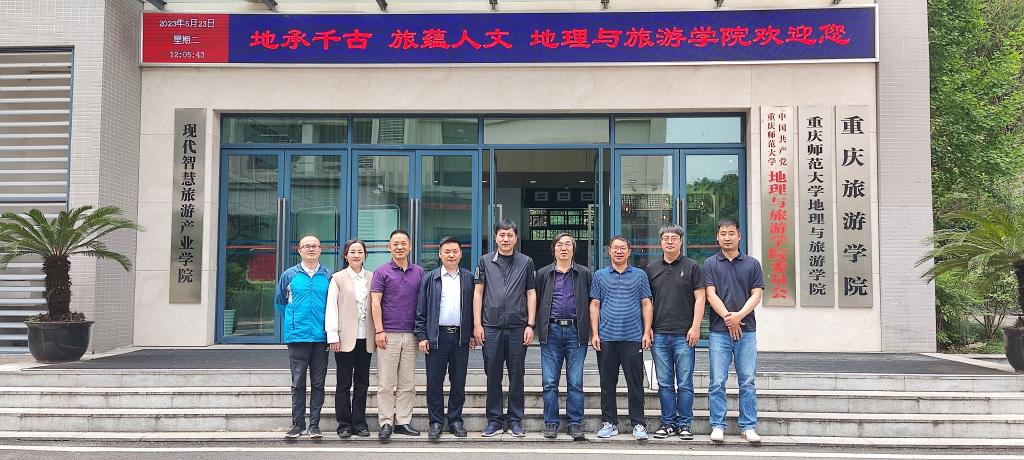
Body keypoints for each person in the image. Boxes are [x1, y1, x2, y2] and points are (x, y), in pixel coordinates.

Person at [473, 219, 537, 437]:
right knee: (493, 374)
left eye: (510, 235)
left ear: (516, 238)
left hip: (518, 327)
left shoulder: (526, 262)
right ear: (496, 237)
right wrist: (477, 324)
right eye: (502, 235)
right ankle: (494, 420)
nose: (506, 239)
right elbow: (478, 293)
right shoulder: (485, 261)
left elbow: (531, 293)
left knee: (517, 375)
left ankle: (515, 420)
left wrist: (531, 324)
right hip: (491, 327)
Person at [703, 217, 764, 444]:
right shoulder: (710, 263)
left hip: (747, 331)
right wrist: (730, 319)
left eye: (731, 233)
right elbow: (710, 295)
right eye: (723, 234)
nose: (727, 237)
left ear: (739, 236)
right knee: (717, 381)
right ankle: (717, 425)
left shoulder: (752, 264)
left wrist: (739, 316)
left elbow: (756, 294)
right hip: (719, 332)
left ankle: (748, 426)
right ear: (717, 237)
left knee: (747, 380)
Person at [645, 224, 706, 441]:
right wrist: (647, 330)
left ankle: (685, 424)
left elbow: (701, 298)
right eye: (666, 238)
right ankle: (668, 423)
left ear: (681, 241)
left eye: (674, 238)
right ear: (660, 242)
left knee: (685, 382)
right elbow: (647, 302)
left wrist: (696, 327)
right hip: (659, 334)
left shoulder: (692, 267)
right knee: (664, 383)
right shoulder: (651, 268)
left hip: (684, 335)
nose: (669, 241)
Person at [589, 236, 653, 441]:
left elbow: (646, 303)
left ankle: (638, 423)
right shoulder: (599, 275)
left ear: (629, 251)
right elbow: (595, 304)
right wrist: (595, 333)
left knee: (635, 383)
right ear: (609, 251)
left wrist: (646, 331)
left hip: (633, 337)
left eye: (622, 248)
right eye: (615, 248)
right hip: (606, 337)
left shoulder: (640, 275)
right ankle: (609, 423)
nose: (618, 251)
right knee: (607, 383)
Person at [414, 236, 476, 440]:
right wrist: (422, 336)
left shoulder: (468, 278)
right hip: (436, 337)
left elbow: (474, 308)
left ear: (461, 254)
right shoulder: (429, 278)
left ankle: (456, 420)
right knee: (434, 382)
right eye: (447, 251)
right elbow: (421, 310)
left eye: (455, 251)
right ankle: (436, 422)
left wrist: (471, 333)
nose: (451, 255)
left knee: (458, 381)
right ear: (440, 254)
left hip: (460, 337)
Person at [535, 233, 592, 440]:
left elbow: (592, 302)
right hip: (551, 331)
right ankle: (551, 423)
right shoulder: (543, 274)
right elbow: (536, 300)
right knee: (550, 381)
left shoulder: (584, 273)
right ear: (554, 249)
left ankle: (575, 423)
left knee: (575, 381)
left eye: (568, 244)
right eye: (559, 244)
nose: (564, 248)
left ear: (574, 249)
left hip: (576, 332)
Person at [273, 235, 331, 439]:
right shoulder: (289, 275)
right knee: (298, 382)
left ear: (320, 249)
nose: (311, 249)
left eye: (314, 246)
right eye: (306, 246)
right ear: (299, 250)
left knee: (318, 383)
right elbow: (280, 303)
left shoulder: (328, 276)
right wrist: (294, 321)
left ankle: (314, 425)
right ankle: (297, 424)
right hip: (297, 337)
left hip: (321, 337)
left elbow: (333, 305)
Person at [370, 229, 425, 440]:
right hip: (388, 334)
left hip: (412, 335)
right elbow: (375, 303)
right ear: (389, 247)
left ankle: (403, 421)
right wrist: (379, 330)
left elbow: (423, 303)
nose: (400, 247)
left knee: (407, 382)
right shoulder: (381, 272)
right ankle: (385, 422)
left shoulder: (419, 272)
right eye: (395, 243)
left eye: (403, 243)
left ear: (410, 246)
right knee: (385, 382)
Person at [325, 239, 375, 438]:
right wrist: (332, 335)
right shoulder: (337, 278)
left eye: (360, 252)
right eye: (352, 252)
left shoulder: (372, 277)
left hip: (366, 337)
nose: (356, 255)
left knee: (363, 383)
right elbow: (331, 307)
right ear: (345, 255)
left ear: (365, 255)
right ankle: (344, 424)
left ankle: (360, 423)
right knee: (344, 382)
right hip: (344, 338)